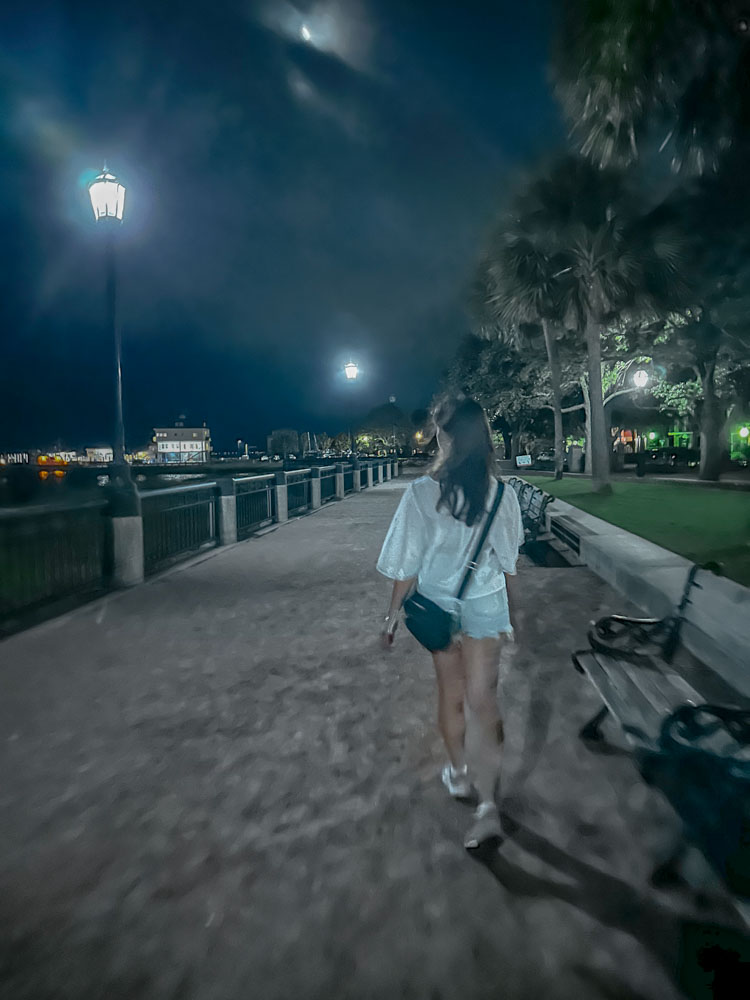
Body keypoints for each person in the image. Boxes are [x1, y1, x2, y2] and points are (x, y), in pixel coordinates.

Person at [376, 395, 524, 850]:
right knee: (485, 699)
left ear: (442, 435)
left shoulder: (422, 492)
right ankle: (488, 806)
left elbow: (405, 565)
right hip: (485, 604)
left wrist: (391, 616)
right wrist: (511, 618)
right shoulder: (503, 493)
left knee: (452, 695)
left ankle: (459, 775)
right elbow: (509, 561)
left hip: (439, 607)